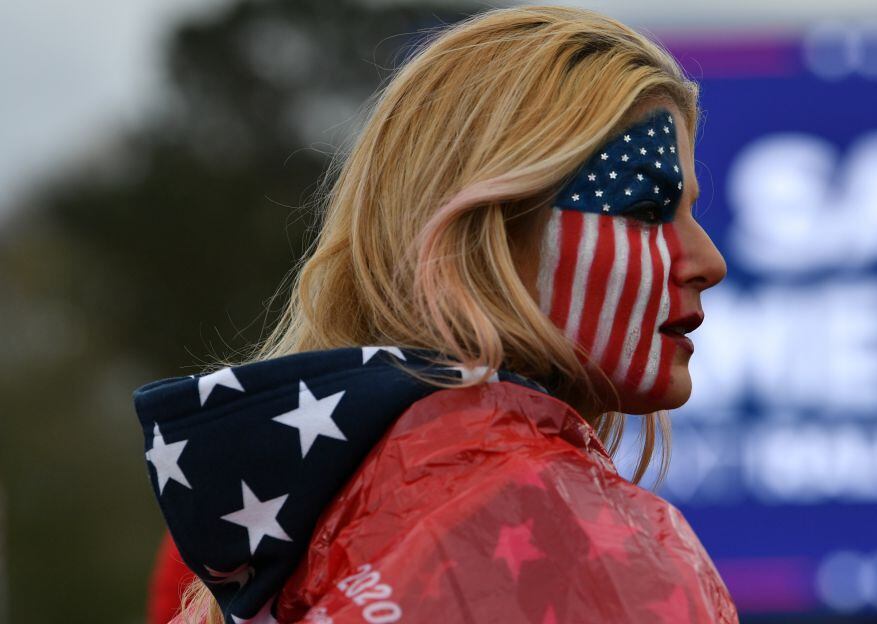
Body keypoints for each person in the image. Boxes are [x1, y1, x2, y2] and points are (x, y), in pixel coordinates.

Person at [134, 5, 735, 623]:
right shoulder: (583, 549)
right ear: (486, 234)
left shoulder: (299, 526)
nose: (707, 261)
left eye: (688, 211)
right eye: (645, 207)